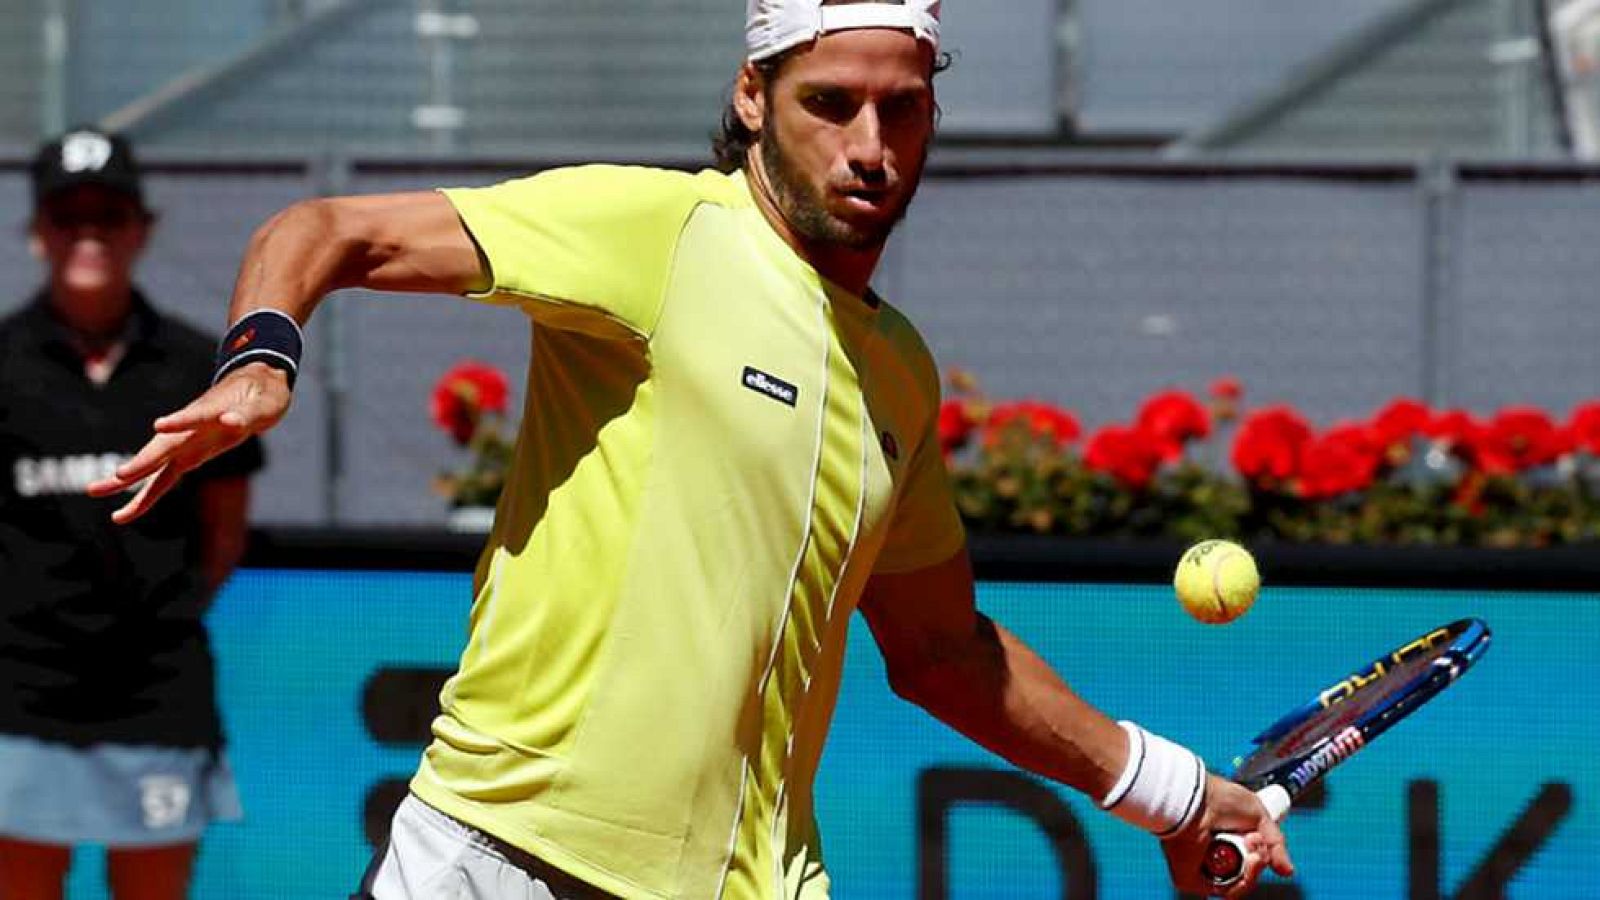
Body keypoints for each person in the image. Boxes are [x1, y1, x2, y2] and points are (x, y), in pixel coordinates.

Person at [90, 1, 1295, 897]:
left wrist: (1177, 795)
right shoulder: (656, 232)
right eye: (830, 103)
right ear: (752, 98)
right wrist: (260, 361)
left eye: (902, 107)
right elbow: (327, 228)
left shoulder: (900, 372)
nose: (869, 144)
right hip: (508, 856)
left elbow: (941, 653)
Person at [0, 127, 264, 899]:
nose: (89, 234)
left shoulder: (193, 368)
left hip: (156, 694)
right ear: (37, 232)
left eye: (109, 215)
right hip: (19, 694)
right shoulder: (3, 365)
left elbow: (224, 530)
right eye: (67, 215)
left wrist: (161, 614)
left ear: (142, 229)